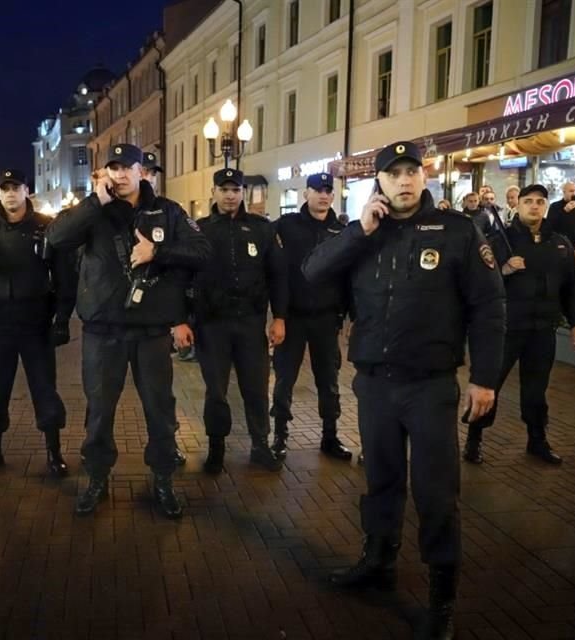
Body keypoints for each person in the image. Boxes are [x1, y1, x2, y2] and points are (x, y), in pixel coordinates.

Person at [303, 141, 505, 640]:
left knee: (436, 492)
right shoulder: (365, 232)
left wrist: (484, 378)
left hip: (430, 385)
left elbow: (489, 307)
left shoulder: (458, 230)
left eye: (412, 171)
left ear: (424, 175)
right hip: (374, 383)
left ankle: (442, 594)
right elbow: (311, 272)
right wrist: (358, 232)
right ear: (380, 183)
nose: (405, 181)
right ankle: (378, 560)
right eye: (394, 175)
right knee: (382, 481)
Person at [46, 143, 211, 519]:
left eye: (127, 167)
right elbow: (55, 238)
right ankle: (98, 479)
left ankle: (163, 479)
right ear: (105, 173)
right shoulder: (93, 213)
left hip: (151, 332)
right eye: (113, 167)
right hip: (102, 332)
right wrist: (94, 202)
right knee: (100, 411)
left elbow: (202, 251)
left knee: (160, 410)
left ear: (142, 172)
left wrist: (159, 251)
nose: (119, 175)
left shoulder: (166, 212)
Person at [463, 184, 575, 465]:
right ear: (517, 205)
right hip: (505, 329)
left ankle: (537, 439)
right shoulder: (497, 240)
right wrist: (504, 270)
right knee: (489, 384)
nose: (534, 206)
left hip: (543, 328)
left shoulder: (559, 243)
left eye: (540, 202)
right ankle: (474, 437)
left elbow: (571, 287)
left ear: (545, 206)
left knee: (536, 388)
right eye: (528, 201)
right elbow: (478, 285)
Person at [0, 168, 76, 477]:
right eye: (4, 188)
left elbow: (66, 278)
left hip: (36, 322)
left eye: (16, 187)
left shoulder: (47, 229)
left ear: (26, 190)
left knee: (44, 388)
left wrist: (63, 318)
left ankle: (54, 451)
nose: (10, 193)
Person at [193, 168, 287, 474]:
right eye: (224, 189)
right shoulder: (200, 230)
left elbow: (277, 277)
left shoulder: (262, 229)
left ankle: (260, 444)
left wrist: (280, 318)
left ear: (243, 193)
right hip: (213, 324)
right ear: (214, 192)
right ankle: (216, 447)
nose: (230, 195)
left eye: (236, 190)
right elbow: (186, 277)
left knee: (256, 387)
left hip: (250, 322)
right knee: (216, 391)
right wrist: (183, 319)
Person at [270, 172, 351, 460]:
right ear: (306, 194)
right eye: (317, 190)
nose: (324, 195)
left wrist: (347, 316)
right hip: (292, 317)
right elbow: (274, 269)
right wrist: (277, 315)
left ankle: (330, 436)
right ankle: (279, 435)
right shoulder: (286, 226)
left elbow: (348, 276)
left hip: (326, 319)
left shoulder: (341, 230)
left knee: (328, 380)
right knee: (284, 378)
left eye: (328, 190)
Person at [545, 182, 575, 248]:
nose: (574, 193)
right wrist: (564, 211)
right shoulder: (555, 206)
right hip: (560, 246)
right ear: (564, 192)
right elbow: (550, 226)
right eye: (571, 191)